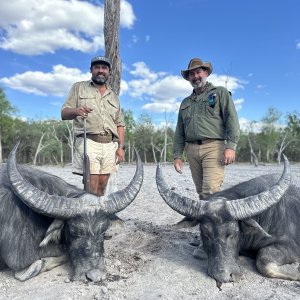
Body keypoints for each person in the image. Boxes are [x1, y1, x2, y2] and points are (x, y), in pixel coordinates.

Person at [173, 57, 240, 258]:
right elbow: (179, 132)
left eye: (199, 72)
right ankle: (206, 235)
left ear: (206, 73)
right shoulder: (185, 103)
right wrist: (177, 155)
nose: (196, 76)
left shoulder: (219, 93)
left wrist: (231, 146)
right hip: (192, 150)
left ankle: (212, 243)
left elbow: (232, 121)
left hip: (215, 147)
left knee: (212, 192)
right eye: (192, 73)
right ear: (188, 78)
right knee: (202, 196)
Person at [61, 55, 125, 196]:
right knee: (91, 185)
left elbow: (120, 124)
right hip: (88, 141)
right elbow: (64, 113)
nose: (100, 71)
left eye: (104, 68)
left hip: (109, 144)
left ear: (109, 72)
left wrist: (120, 148)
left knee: (102, 186)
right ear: (91, 70)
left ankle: (98, 215)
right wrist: (77, 111)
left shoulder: (113, 96)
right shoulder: (78, 87)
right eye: (97, 67)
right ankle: (88, 214)